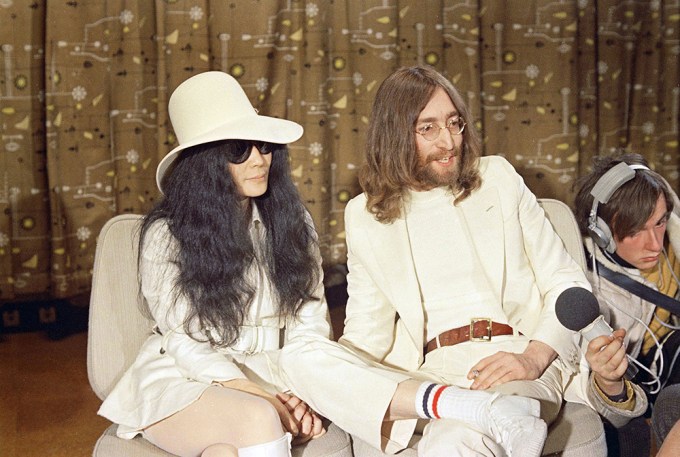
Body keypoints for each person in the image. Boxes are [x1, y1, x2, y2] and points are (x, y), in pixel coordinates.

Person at [281, 65, 605, 456]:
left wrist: (534, 358)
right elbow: (368, 332)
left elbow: (565, 280)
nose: (449, 141)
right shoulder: (365, 215)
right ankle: (471, 410)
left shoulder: (498, 179)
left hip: (515, 357)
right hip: (429, 377)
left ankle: (487, 411)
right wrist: (325, 383)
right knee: (302, 359)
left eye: (454, 123)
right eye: (428, 128)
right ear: (395, 134)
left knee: (451, 439)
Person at [97, 71, 344, 457]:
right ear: (206, 163)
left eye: (263, 145)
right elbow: (183, 338)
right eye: (238, 149)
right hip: (188, 378)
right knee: (259, 418)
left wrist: (302, 393)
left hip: (279, 371)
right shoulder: (167, 235)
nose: (259, 159)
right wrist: (261, 396)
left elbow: (310, 321)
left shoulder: (295, 221)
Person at [573, 152, 680, 455]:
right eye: (634, 232)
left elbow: (665, 200)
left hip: (664, 351)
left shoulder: (663, 222)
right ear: (602, 233)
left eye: (659, 223)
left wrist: (667, 221)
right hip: (627, 384)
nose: (655, 245)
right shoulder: (590, 291)